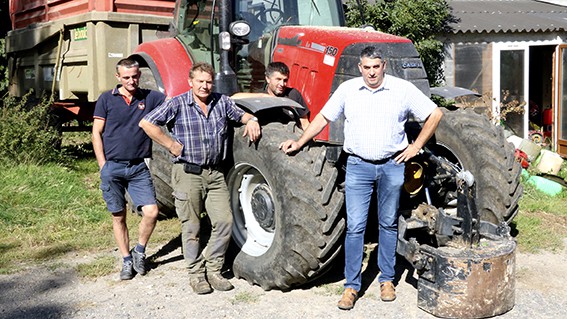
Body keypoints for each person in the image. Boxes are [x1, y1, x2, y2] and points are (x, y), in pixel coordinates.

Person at [279, 46, 443, 310]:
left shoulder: (401, 89)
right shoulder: (348, 90)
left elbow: (435, 114)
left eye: (376, 67)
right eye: (366, 67)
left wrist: (416, 147)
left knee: (388, 224)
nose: (371, 73)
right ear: (360, 68)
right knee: (355, 227)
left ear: (384, 66)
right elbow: (322, 117)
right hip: (357, 166)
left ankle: (387, 280)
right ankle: (352, 286)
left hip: (391, 165)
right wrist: (300, 142)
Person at [139, 62, 261, 294]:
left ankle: (214, 270)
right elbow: (147, 123)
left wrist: (252, 121)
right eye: (200, 81)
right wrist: (170, 144)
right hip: (188, 173)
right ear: (190, 82)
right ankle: (196, 274)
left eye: (208, 82)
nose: (205, 86)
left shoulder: (221, 102)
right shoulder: (177, 103)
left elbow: (241, 115)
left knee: (225, 222)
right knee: (192, 226)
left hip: (215, 174)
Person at [92, 58, 165, 280]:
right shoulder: (106, 99)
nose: (131, 81)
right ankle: (126, 260)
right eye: (126, 77)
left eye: (135, 76)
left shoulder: (150, 97)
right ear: (118, 77)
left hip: (137, 167)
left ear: (139, 76)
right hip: (112, 167)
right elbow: (96, 133)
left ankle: (139, 251)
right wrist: (103, 165)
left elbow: (176, 101)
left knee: (151, 211)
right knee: (119, 216)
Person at [233, 61, 310, 130]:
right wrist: (263, 97)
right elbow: (232, 98)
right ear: (268, 79)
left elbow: (305, 123)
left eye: (285, 80)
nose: (282, 84)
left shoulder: (293, 94)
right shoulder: (259, 97)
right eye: (278, 79)